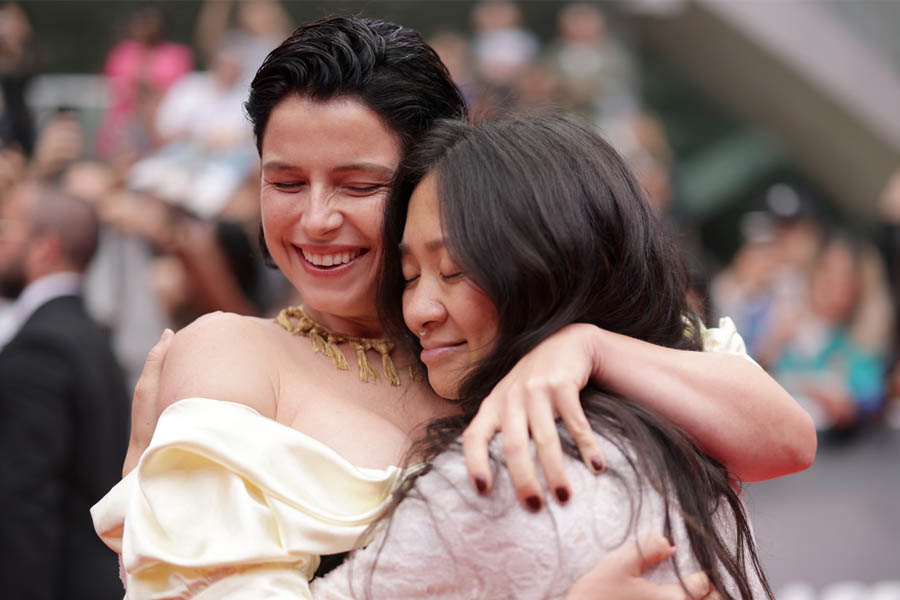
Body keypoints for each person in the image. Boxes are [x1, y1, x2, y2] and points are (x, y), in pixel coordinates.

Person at [93, 16, 813, 598]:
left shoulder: (526, 326)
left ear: (436, 180)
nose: (314, 220)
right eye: (285, 182)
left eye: (355, 184)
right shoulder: (231, 353)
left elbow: (784, 441)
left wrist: (592, 346)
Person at [306, 114, 773, 599]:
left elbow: (791, 441)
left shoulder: (488, 478)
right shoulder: (685, 424)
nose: (418, 311)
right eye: (408, 276)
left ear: (552, 265)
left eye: (453, 270)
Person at [0, 181, 130, 599]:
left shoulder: (41, 347)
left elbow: (24, 505)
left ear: (45, 248)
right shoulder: (88, 336)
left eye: (7, 230)